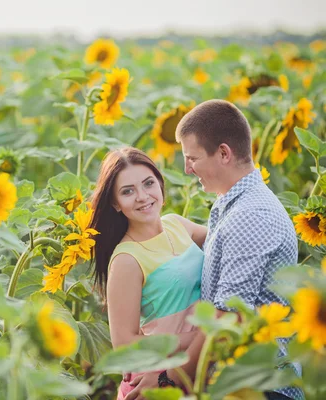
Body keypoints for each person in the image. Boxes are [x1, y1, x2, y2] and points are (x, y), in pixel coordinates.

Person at [125, 99, 303, 400]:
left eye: (192, 158)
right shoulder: (231, 205)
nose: (186, 169)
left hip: (261, 387)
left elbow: (226, 317)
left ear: (223, 153)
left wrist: (168, 379)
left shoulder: (251, 216)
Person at [89, 147, 207, 400]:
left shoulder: (178, 225)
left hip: (198, 365)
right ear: (115, 203)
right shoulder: (126, 259)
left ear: (160, 183)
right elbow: (123, 343)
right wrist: (198, 337)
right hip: (158, 378)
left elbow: (226, 242)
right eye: (128, 191)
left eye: (148, 183)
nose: (142, 196)